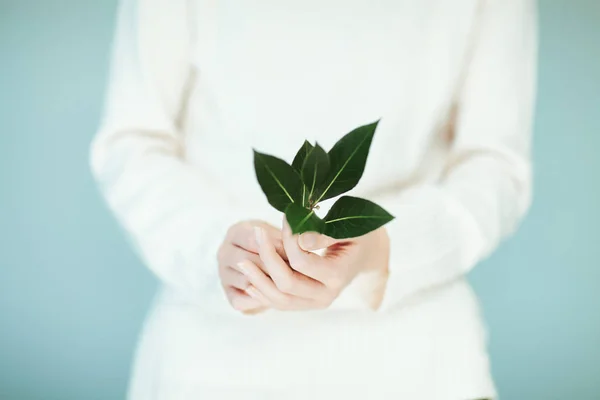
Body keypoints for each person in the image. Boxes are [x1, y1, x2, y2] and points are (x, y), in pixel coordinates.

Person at [90, 0, 537, 399]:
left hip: (417, 359)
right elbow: (134, 143)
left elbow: (494, 167)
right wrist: (215, 248)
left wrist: (384, 247)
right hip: (215, 355)